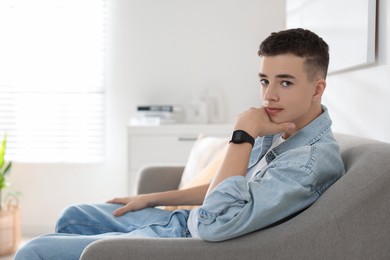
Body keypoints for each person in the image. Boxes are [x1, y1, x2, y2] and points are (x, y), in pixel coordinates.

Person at [15, 28, 345, 259]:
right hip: (184, 222)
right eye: (264, 80)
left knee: (34, 251)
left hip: (196, 242)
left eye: (285, 82)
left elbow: (218, 222)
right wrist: (151, 199)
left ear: (318, 89)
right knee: (74, 215)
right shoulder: (280, 127)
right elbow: (228, 188)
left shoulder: (308, 163)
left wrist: (242, 136)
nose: (268, 95)